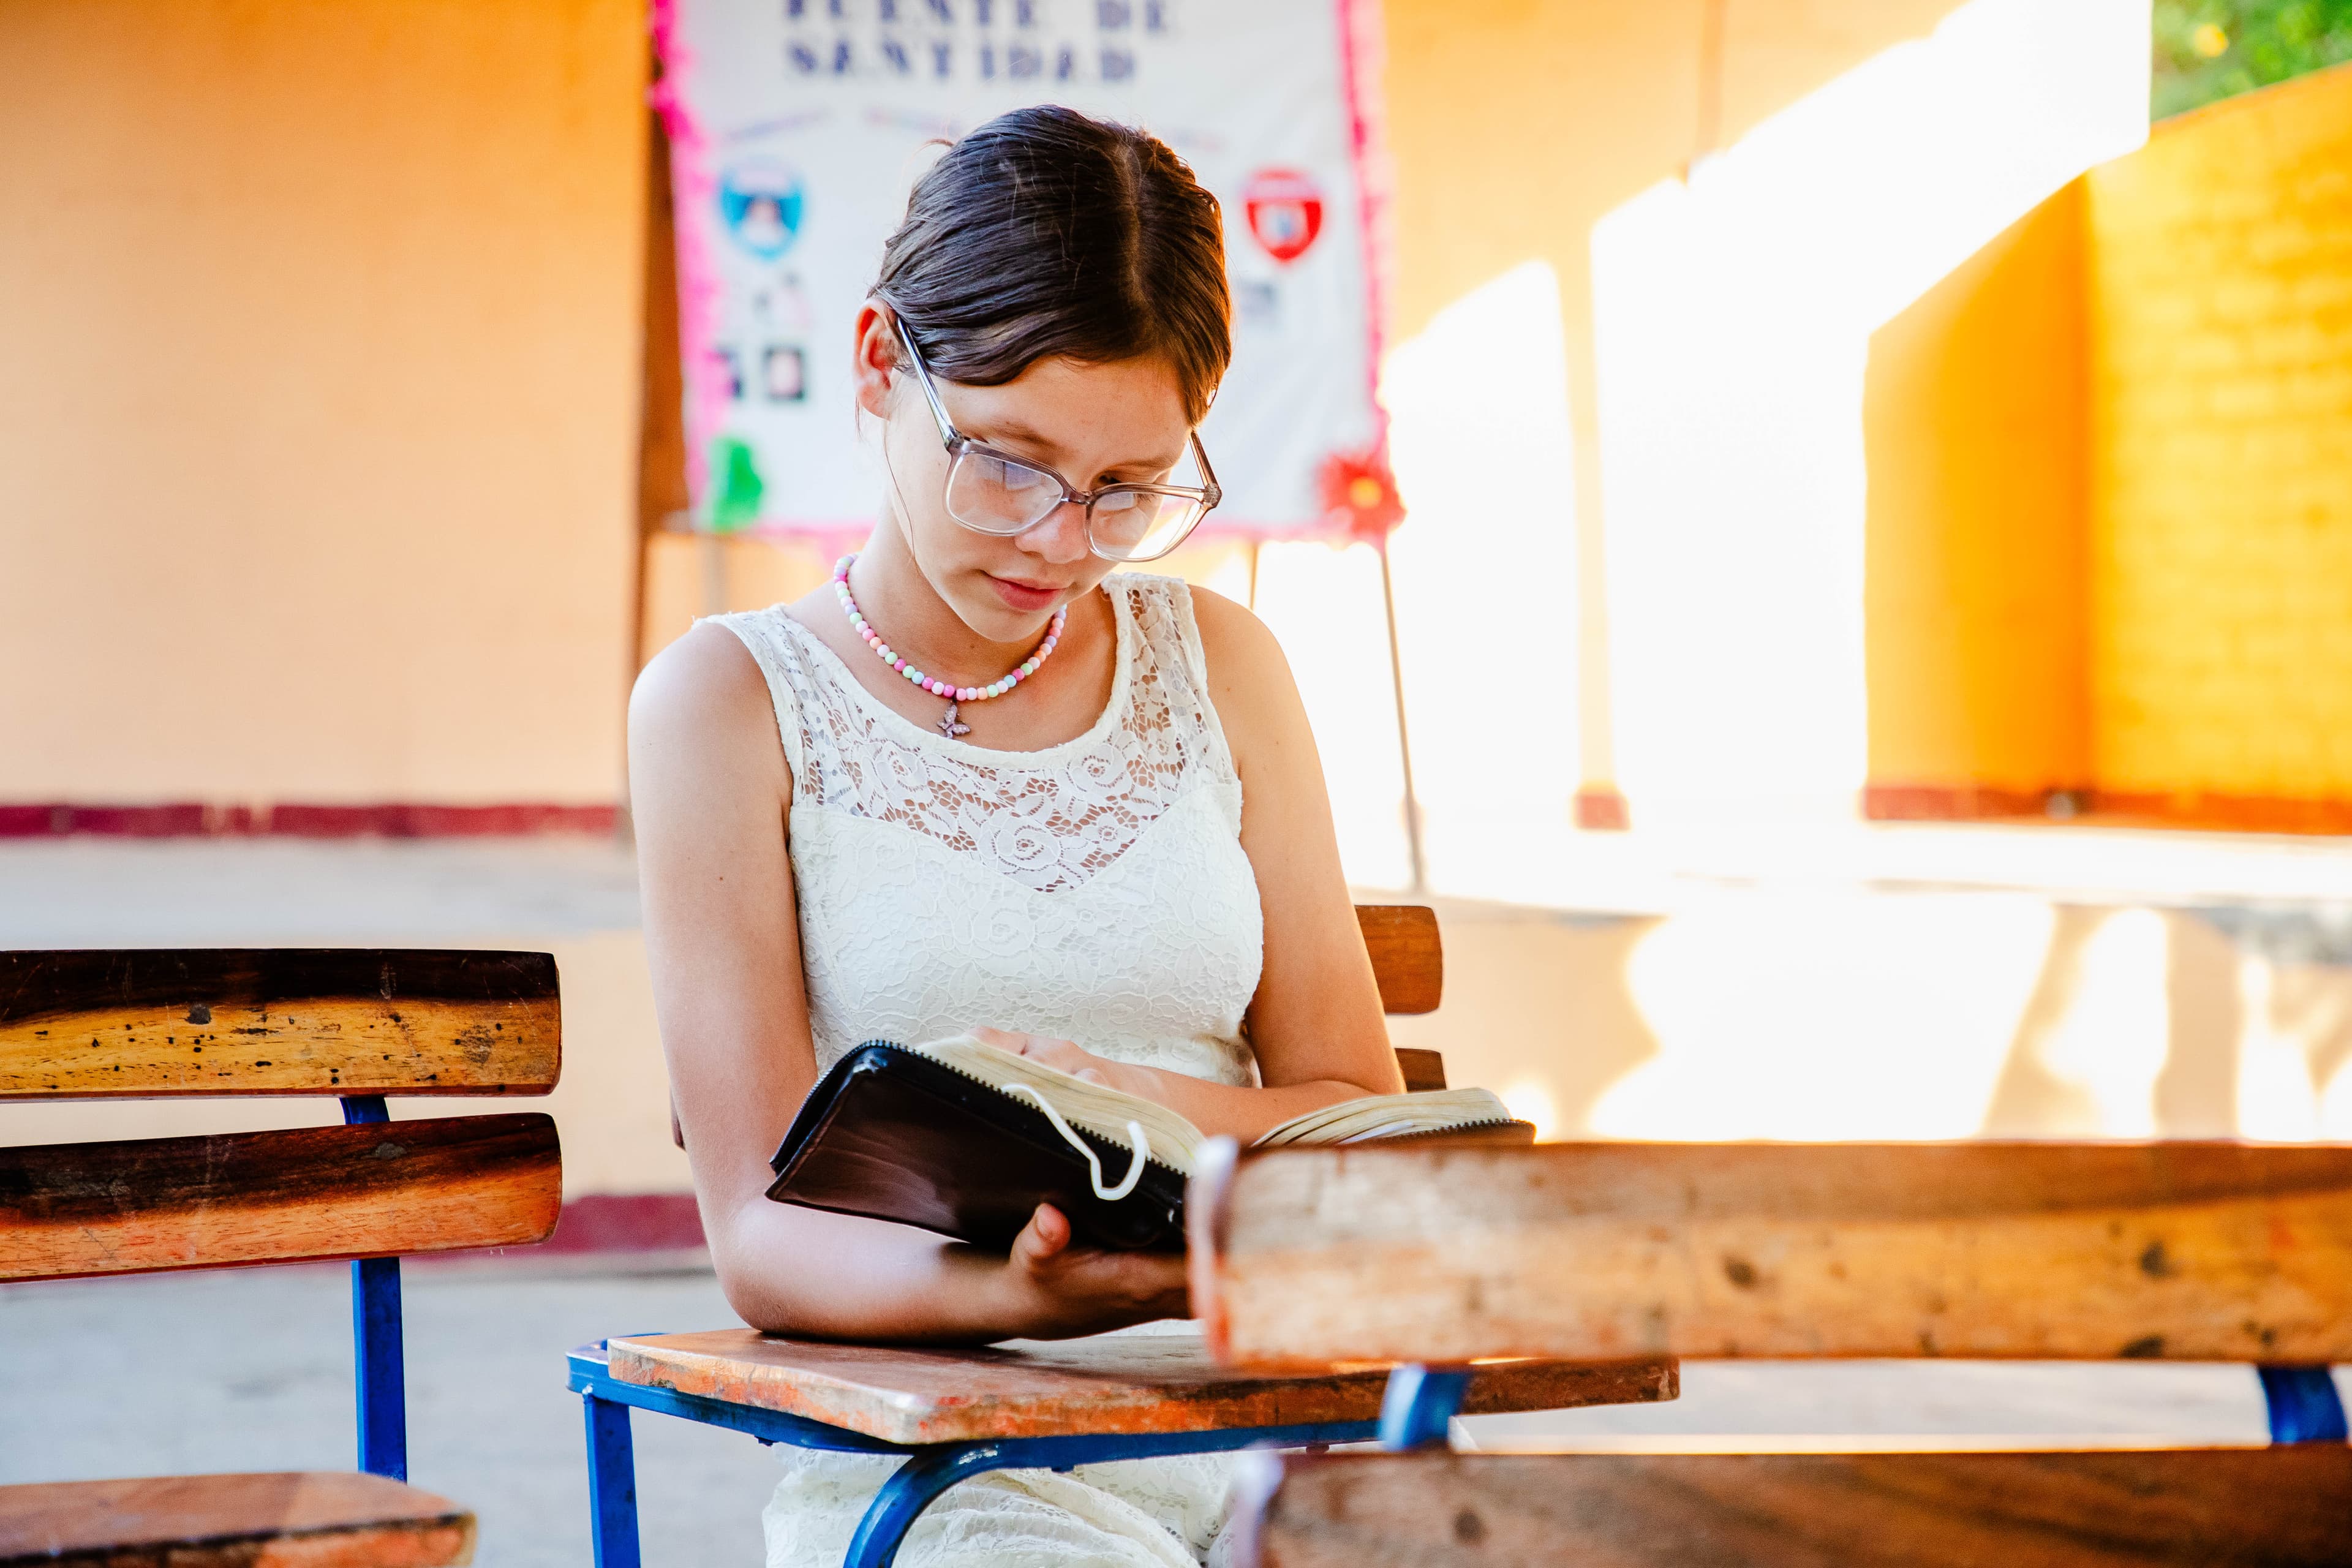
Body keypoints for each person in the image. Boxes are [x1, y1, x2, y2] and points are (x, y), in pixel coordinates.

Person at [629, 104, 1404, 1568]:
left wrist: (1130, 1102)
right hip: (953, 1456)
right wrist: (1036, 1293)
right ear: (879, 362)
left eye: (1126, 489)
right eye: (1009, 459)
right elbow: (760, 1228)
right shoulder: (727, 707)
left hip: (1278, 1410)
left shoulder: (1220, 666)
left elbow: (1353, 1101)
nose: (1059, 539)